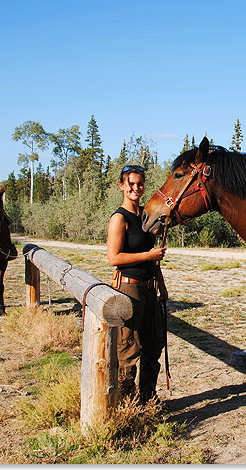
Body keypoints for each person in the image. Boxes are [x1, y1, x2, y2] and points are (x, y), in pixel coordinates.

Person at [107, 164, 168, 403]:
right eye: (130, 184)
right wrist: (148, 256)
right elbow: (114, 258)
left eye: (139, 184)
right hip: (128, 288)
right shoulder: (119, 218)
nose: (135, 188)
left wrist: (161, 285)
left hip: (150, 288)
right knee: (128, 348)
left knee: (153, 345)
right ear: (122, 186)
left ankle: (148, 398)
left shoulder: (145, 216)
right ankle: (126, 403)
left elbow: (154, 256)